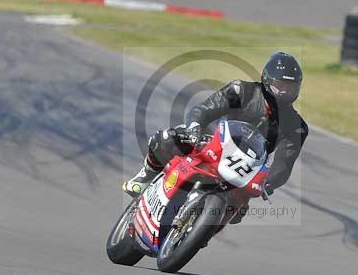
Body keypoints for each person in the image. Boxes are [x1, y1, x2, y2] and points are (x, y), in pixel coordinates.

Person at [123, 52, 308, 210]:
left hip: (246, 168)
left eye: (290, 88)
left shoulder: (296, 126)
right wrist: (194, 127)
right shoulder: (242, 91)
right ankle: (146, 175)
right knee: (166, 138)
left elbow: (284, 165)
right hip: (214, 142)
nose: (284, 93)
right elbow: (204, 110)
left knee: (239, 210)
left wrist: (269, 182)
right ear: (267, 81)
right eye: (280, 86)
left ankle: (199, 232)